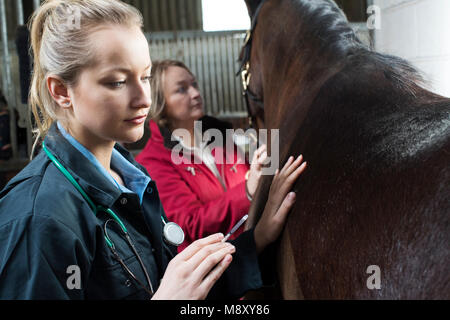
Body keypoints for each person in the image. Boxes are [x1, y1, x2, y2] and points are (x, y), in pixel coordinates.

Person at [0, 0, 307, 300]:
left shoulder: (132, 179)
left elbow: (181, 283)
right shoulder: (37, 219)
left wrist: (259, 238)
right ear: (62, 91)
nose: (144, 98)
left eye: (144, 76)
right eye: (118, 82)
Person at [136, 60, 267, 251]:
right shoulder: (153, 162)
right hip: (218, 266)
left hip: (253, 245)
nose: (196, 93)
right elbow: (190, 225)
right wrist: (247, 190)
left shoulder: (221, 136)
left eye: (194, 84)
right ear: (160, 103)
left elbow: (250, 179)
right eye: (182, 89)